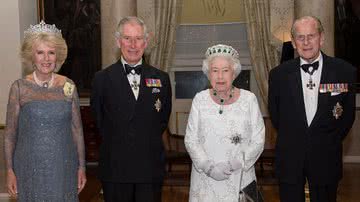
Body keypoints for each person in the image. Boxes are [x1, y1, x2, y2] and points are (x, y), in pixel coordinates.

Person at [268, 16, 356, 202]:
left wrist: (325, 139)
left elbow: (347, 117)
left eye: (311, 36)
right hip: (290, 158)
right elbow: (276, 116)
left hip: (326, 157)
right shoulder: (278, 75)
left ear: (321, 38)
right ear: (293, 42)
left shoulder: (345, 71)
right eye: (300, 37)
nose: (306, 42)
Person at [90, 16, 172, 202]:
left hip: (149, 169)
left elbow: (161, 120)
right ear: (119, 41)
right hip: (116, 169)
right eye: (127, 38)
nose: (133, 44)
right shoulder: (101, 79)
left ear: (146, 41)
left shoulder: (162, 79)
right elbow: (100, 123)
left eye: (138, 38)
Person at [4, 21, 86, 201]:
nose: (46, 59)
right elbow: (10, 133)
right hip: (29, 166)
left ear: (58, 56)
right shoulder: (19, 88)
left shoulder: (69, 86)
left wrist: (82, 167)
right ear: (31, 57)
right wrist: (9, 170)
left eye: (51, 53)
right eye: (40, 52)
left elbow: (77, 130)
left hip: (63, 166)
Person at [184, 44, 265, 202]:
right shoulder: (200, 100)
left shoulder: (249, 99)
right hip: (205, 180)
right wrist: (209, 167)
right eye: (215, 70)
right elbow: (190, 139)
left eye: (225, 70)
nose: (220, 76)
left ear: (234, 73)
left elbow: (258, 139)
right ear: (208, 74)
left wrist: (236, 163)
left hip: (240, 177)